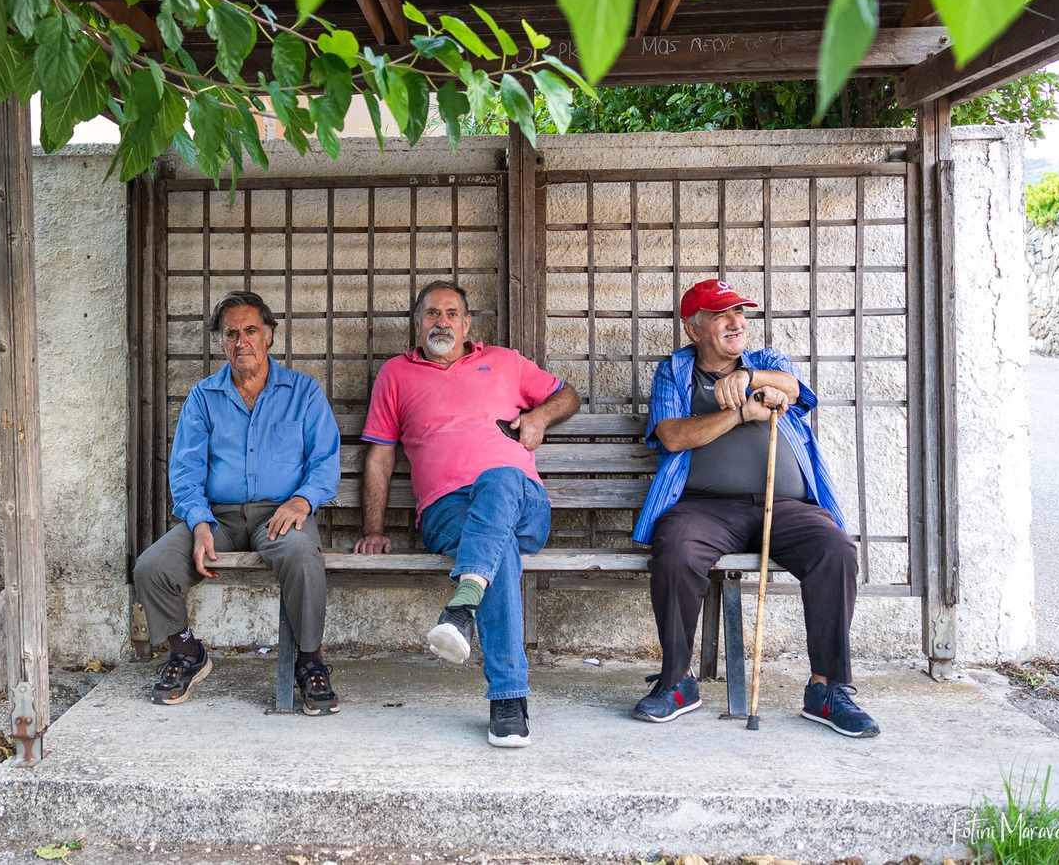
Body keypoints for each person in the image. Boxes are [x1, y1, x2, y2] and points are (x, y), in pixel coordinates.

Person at [632, 280, 877, 737]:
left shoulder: (765, 361)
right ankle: (677, 681)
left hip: (783, 504)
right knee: (676, 551)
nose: (736, 322)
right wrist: (740, 413)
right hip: (703, 507)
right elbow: (671, 436)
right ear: (694, 328)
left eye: (740, 313)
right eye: (721, 314)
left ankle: (828, 689)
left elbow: (793, 387)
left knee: (835, 550)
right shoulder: (675, 371)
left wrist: (750, 379)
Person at [355, 279, 580, 749]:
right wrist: (372, 528)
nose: (442, 322)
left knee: (499, 478)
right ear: (417, 324)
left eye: (452, 313)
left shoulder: (505, 362)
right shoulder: (396, 374)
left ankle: (462, 607)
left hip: (522, 502)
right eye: (432, 314)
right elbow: (379, 455)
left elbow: (568, 395)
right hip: (446, 511)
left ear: (467, 323)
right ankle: (508, 698)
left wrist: (538, 418)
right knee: (499, 556)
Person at [131, 291, 342, 714]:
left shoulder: (303, 392)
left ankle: (309, 660)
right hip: (219, 519)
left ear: (268, 336)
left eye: (250, 331)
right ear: (221, 342)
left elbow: (325, 460)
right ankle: (187, 651)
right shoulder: (203, 397)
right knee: (151, 567)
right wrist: (199, 522)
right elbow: (186, 472)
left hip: (279, 515)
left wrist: (302, 500)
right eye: (231, 334)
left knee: (303, 557)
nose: (241, 341)